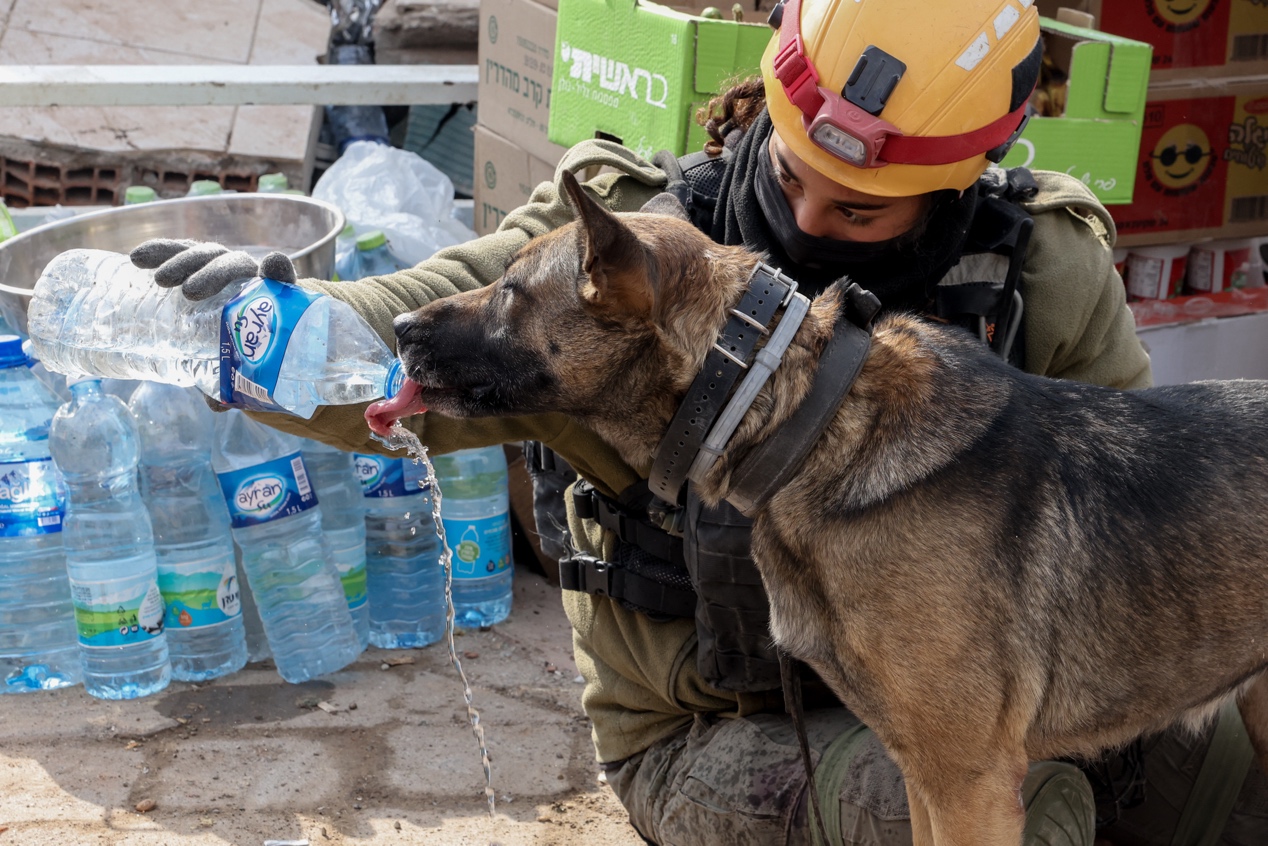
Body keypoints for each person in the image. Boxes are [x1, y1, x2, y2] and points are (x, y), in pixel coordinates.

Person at [133, 0, 1267, 842]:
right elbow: (411, 337)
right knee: (995, 802)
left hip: (983, 678)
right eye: (793, 167)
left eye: (859, 205)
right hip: (719, 722)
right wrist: (277, 320)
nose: (809, 214)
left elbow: (1131, 512)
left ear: (959, 178)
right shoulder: (625, 252)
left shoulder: (1034, 264)